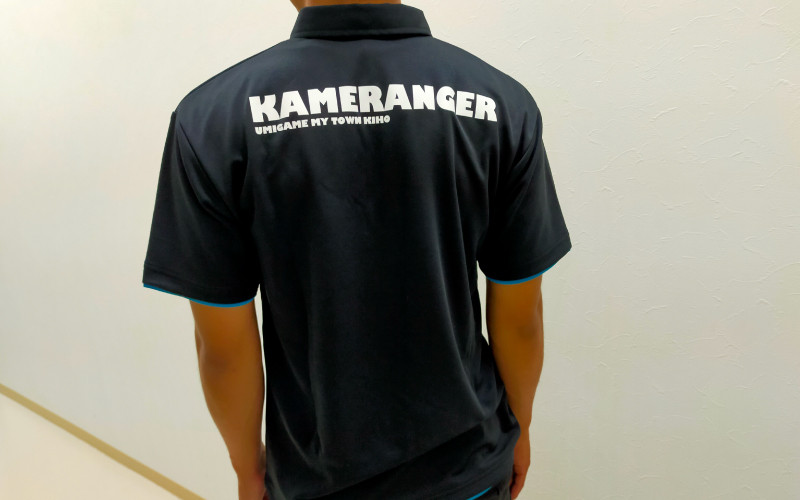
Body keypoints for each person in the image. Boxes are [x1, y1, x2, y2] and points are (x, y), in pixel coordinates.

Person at [141, 0, 572, 499]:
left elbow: (222, 348)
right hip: (468, 469)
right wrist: (520, 427)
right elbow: (521, 318)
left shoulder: (213, 118)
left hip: (314, 479)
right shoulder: (501, 104)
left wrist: (248, 468)